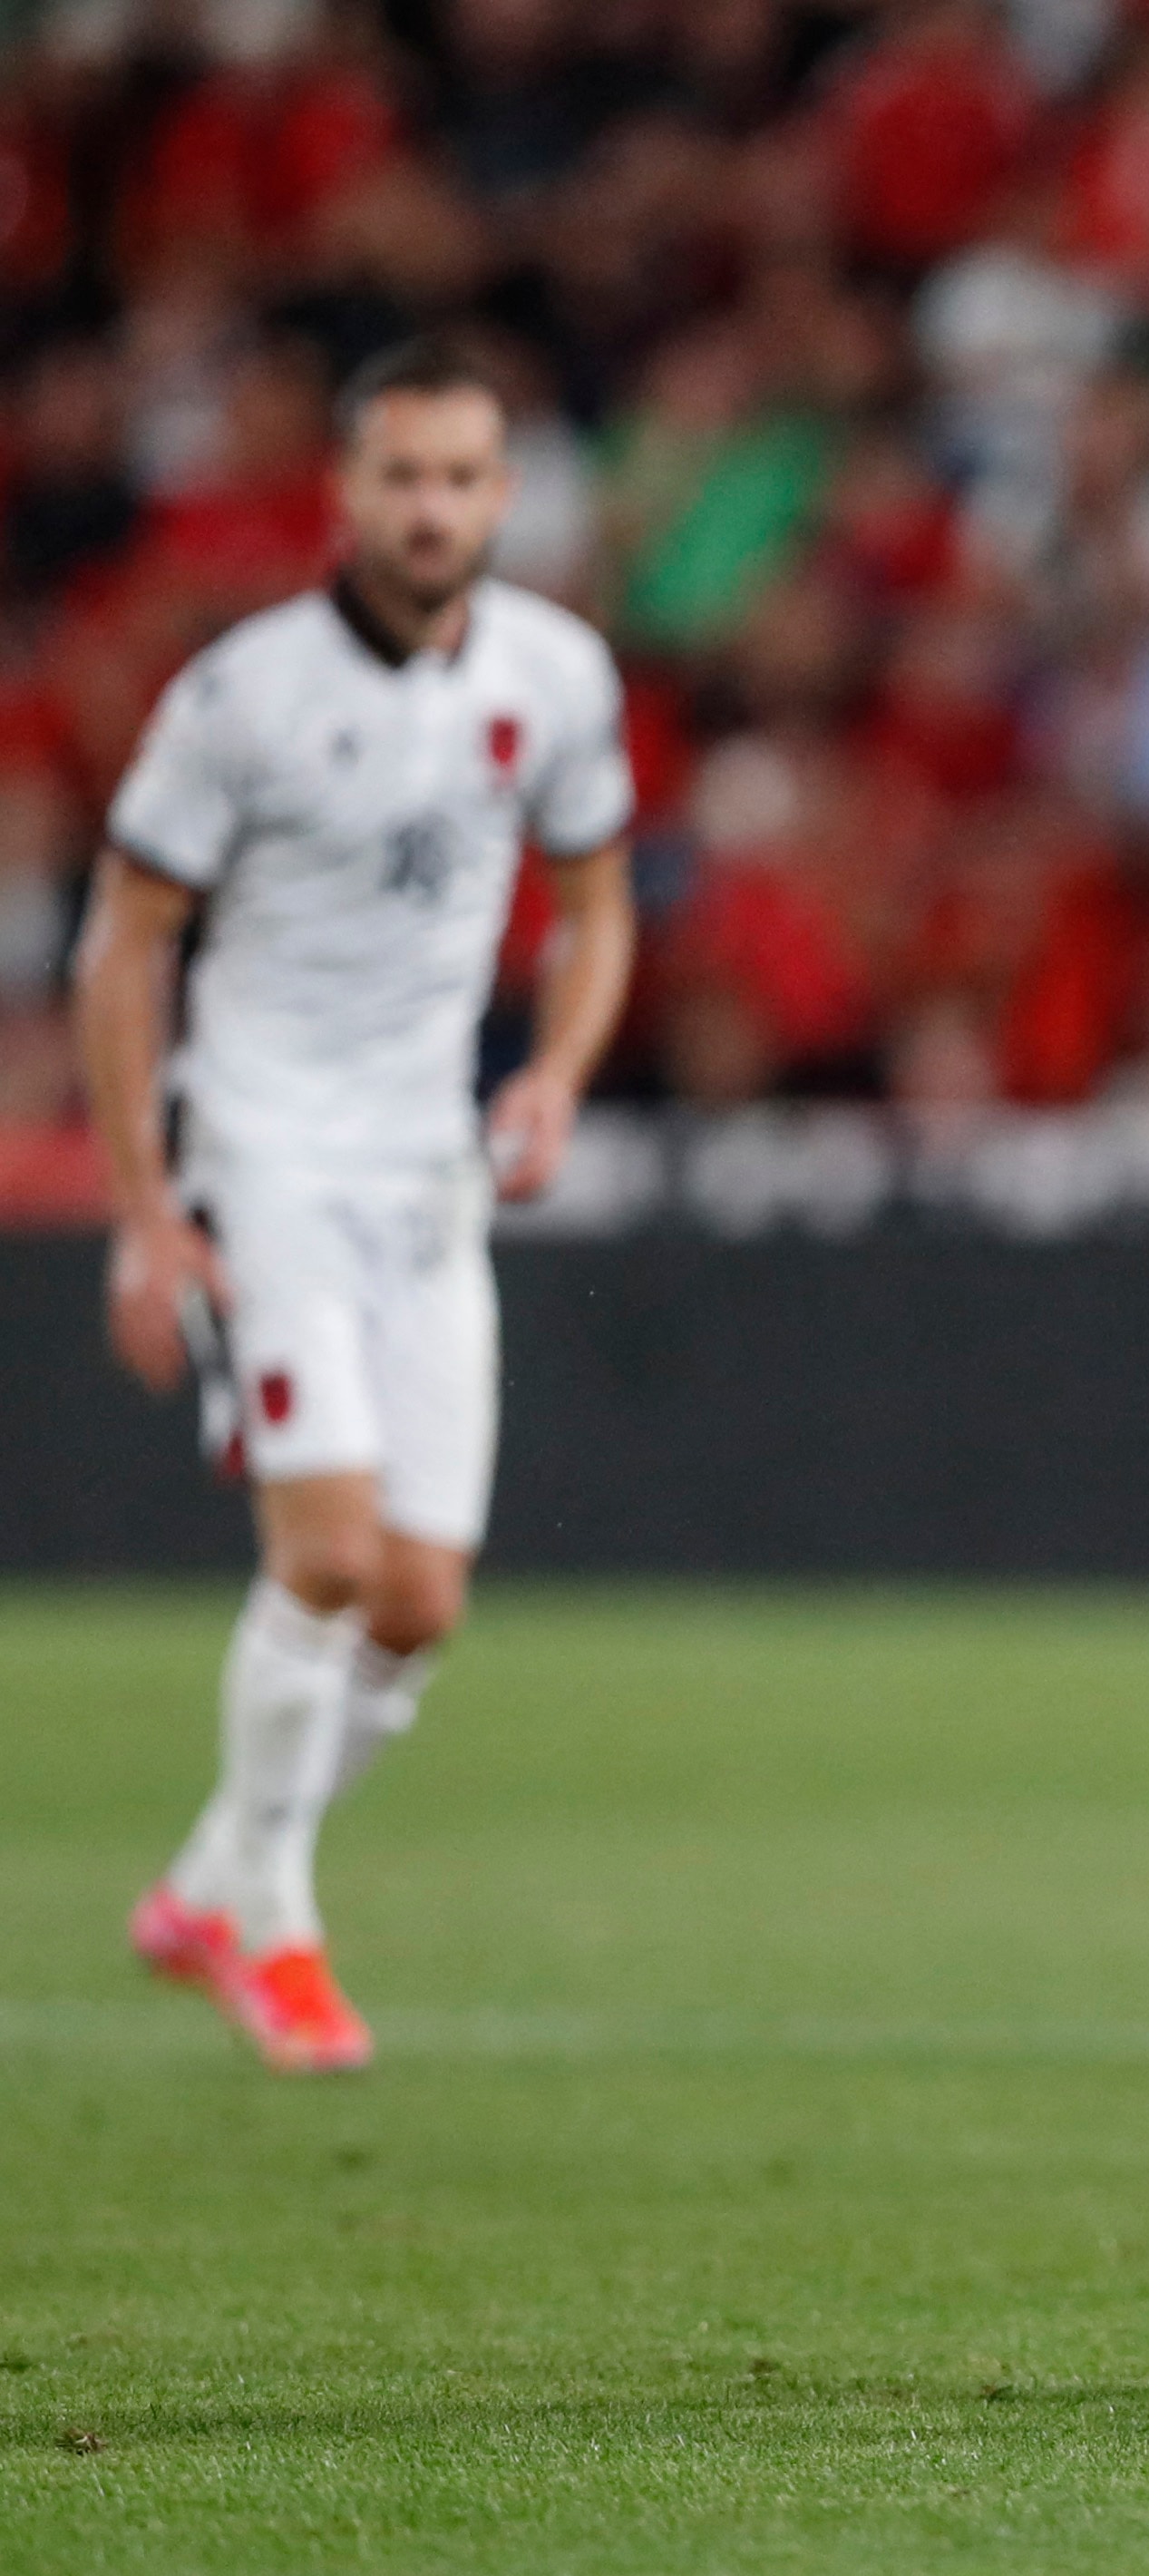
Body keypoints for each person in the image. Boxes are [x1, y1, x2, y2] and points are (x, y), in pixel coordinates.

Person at [73, 335, 636, 2074]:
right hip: (262, 1155)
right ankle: (279, 1926)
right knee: (323, 1558)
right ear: (347, 489)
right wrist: (148, 1209)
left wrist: (551, 1070)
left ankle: (205, 1880)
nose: (433, 508)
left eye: (465, 478)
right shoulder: (240, 695)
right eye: (402, 477)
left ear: (501, 493)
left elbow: (598, 901)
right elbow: (124, 945)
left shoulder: (552, 676)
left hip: (426, 1172)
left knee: (417, 1606)